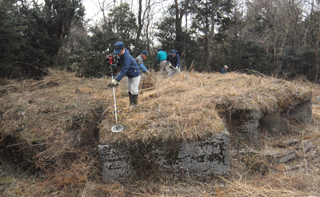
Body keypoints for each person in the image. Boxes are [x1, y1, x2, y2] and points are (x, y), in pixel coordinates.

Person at [109, 41, 141, 108]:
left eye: (118, 51)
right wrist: (116, 64)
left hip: (135, 74)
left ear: (122, 49)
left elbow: (124, 70)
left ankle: (135, 105)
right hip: (129, 74)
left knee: (134, 89)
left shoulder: (127, 57)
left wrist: (116, 80)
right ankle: (131, 103)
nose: (117, 53)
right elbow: (120, 61)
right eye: (116, 51)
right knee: (129, 89)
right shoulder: (121, 55)